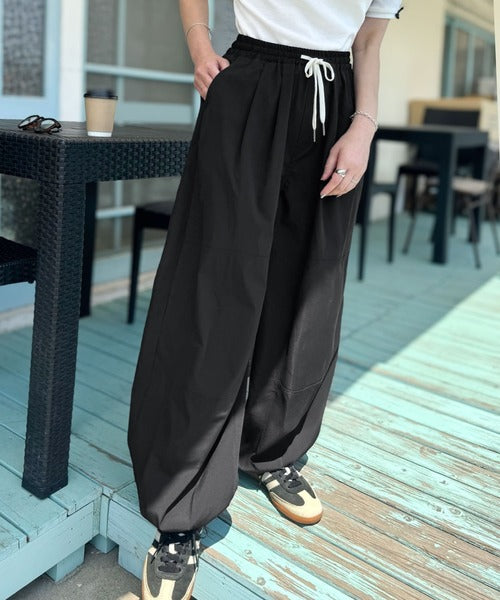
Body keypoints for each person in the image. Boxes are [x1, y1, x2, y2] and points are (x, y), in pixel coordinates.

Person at [128, 1, 403, 598]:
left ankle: (274, 451)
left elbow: (368, 42)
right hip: (249, 86)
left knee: (307, 289)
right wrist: (200, 46)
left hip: (335, 108)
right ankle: (180, 506)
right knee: (214, 289)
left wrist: (364, 127)